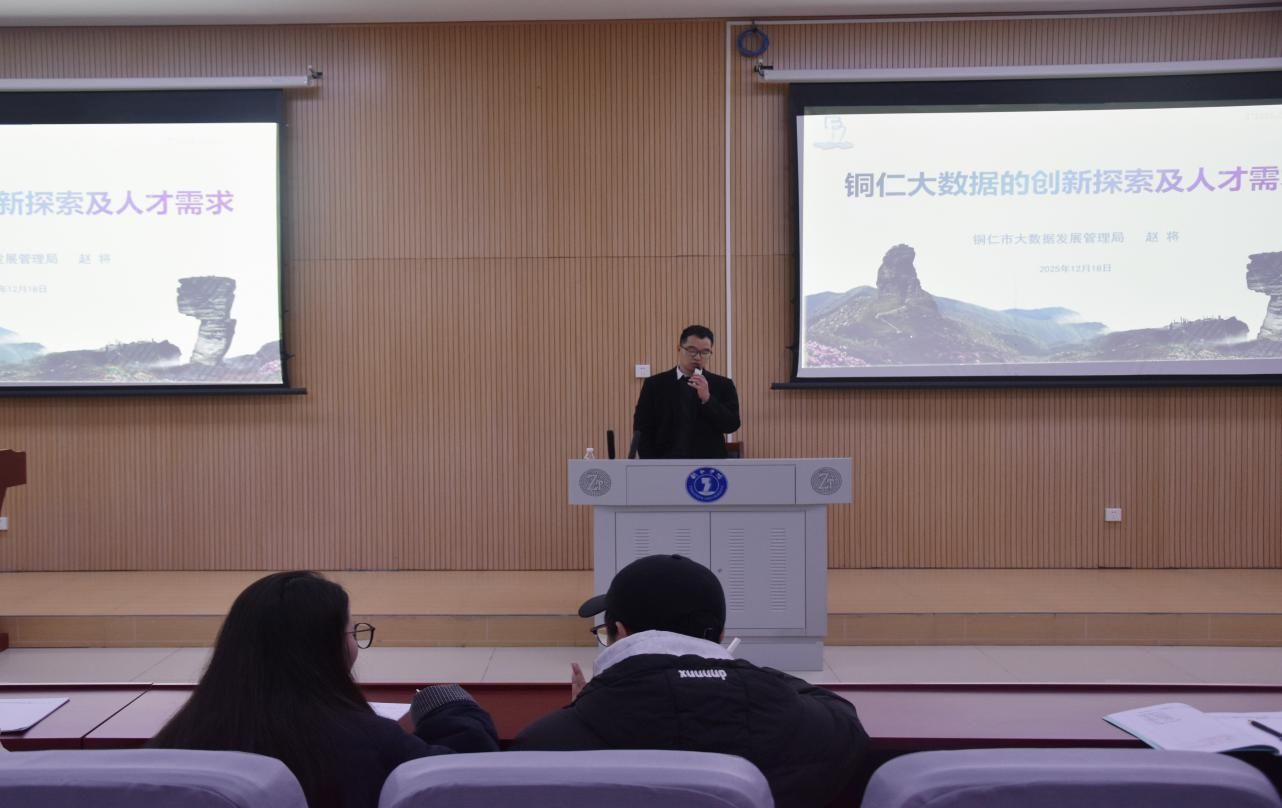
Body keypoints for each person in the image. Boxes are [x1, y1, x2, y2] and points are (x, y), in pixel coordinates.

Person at [511, 554, 870, 808]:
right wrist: (742, 672)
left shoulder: (549, 742)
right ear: (721, 635)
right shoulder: (822, 729)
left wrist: (584, 707)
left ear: (620, 632)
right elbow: (841, 716)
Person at [149, 571, 498, 808]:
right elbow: (467, 779)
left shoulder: (177, 739)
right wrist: (448, 705)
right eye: (353, 632)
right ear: (327, 648)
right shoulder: (368, 740)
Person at [632, 324, 741, 459]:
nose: (697, 357)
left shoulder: (723, 385)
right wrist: (651, 463)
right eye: (691, 350)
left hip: (708, 463)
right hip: (664, 462)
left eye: (705, 352)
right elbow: (642, 428)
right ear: (679, 349)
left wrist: (708, 399)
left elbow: (732, 424)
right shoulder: (654, 384)